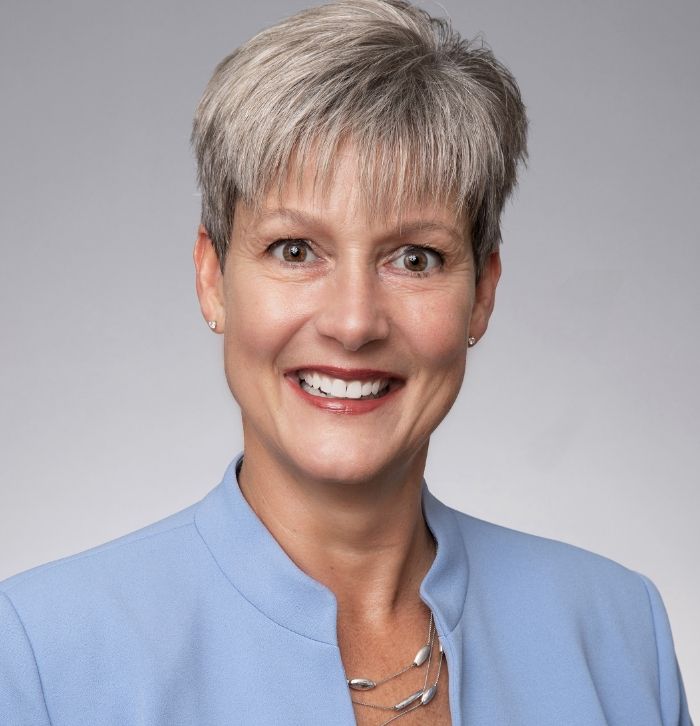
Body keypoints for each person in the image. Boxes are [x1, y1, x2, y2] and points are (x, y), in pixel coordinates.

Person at [0, 0, 693, 724]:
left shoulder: (619, 635)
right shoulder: (39, 659)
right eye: (295, 250)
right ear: (213, 279)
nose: (354, 322)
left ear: (482, 295)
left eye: (415, 258)